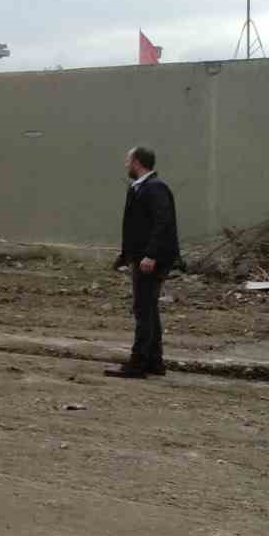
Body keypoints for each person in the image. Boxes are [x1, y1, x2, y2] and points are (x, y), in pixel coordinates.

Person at [106, 146, 179, 378]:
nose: (126, 165)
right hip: (142, 257)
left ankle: (137, 364)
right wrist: (126, 255)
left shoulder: (155, 188)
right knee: (148, 308)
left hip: (151, 260)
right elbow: (136, 227)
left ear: (137, 162)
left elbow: (163, 222)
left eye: (128, 161)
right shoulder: (139, 188)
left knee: (143, 309)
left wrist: (151, 255)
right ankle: (154, 362)